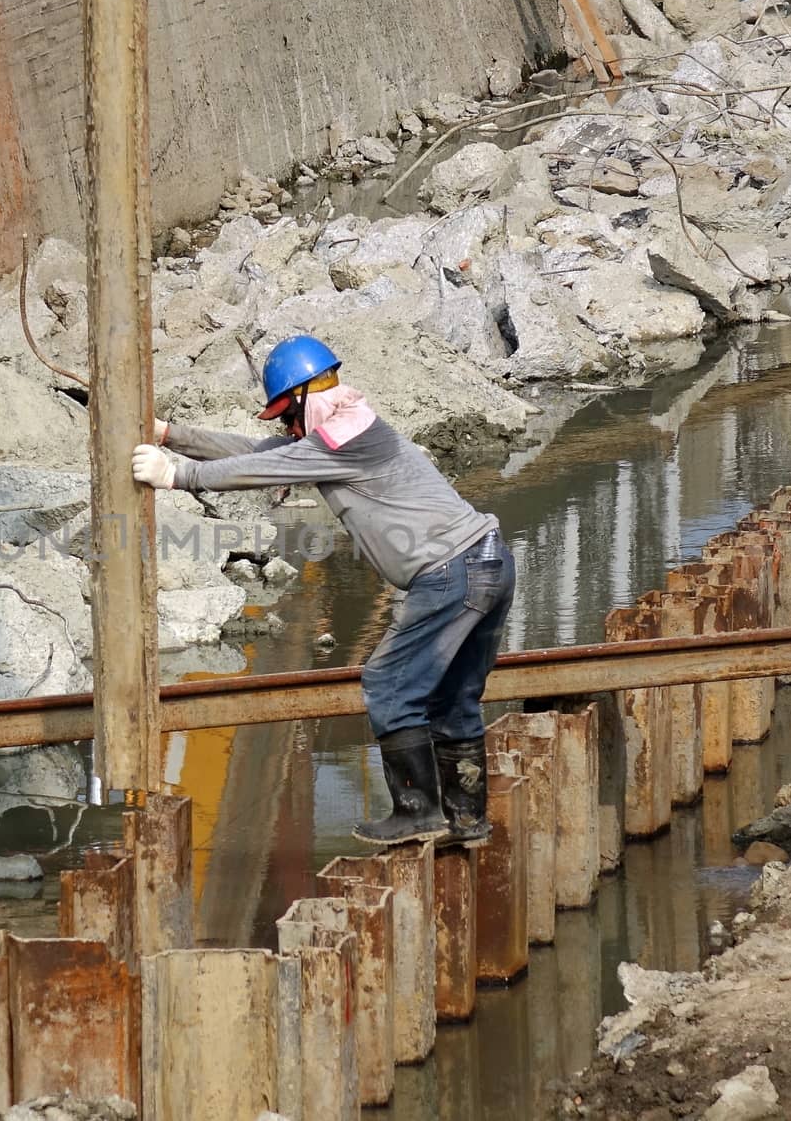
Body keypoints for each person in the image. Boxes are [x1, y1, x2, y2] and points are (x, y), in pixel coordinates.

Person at [130, 334, 516, 847]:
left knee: (388, 682)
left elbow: (263, 465)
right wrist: (170, 435)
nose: (289, 429)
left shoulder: (344, 437)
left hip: (451, 573)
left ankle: (417, 812)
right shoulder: (348, 426)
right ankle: (467, 822)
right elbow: (260, 452)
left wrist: (181, 476)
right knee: (453, 698)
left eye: (288, 416)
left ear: (305, 396)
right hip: (490, 562)